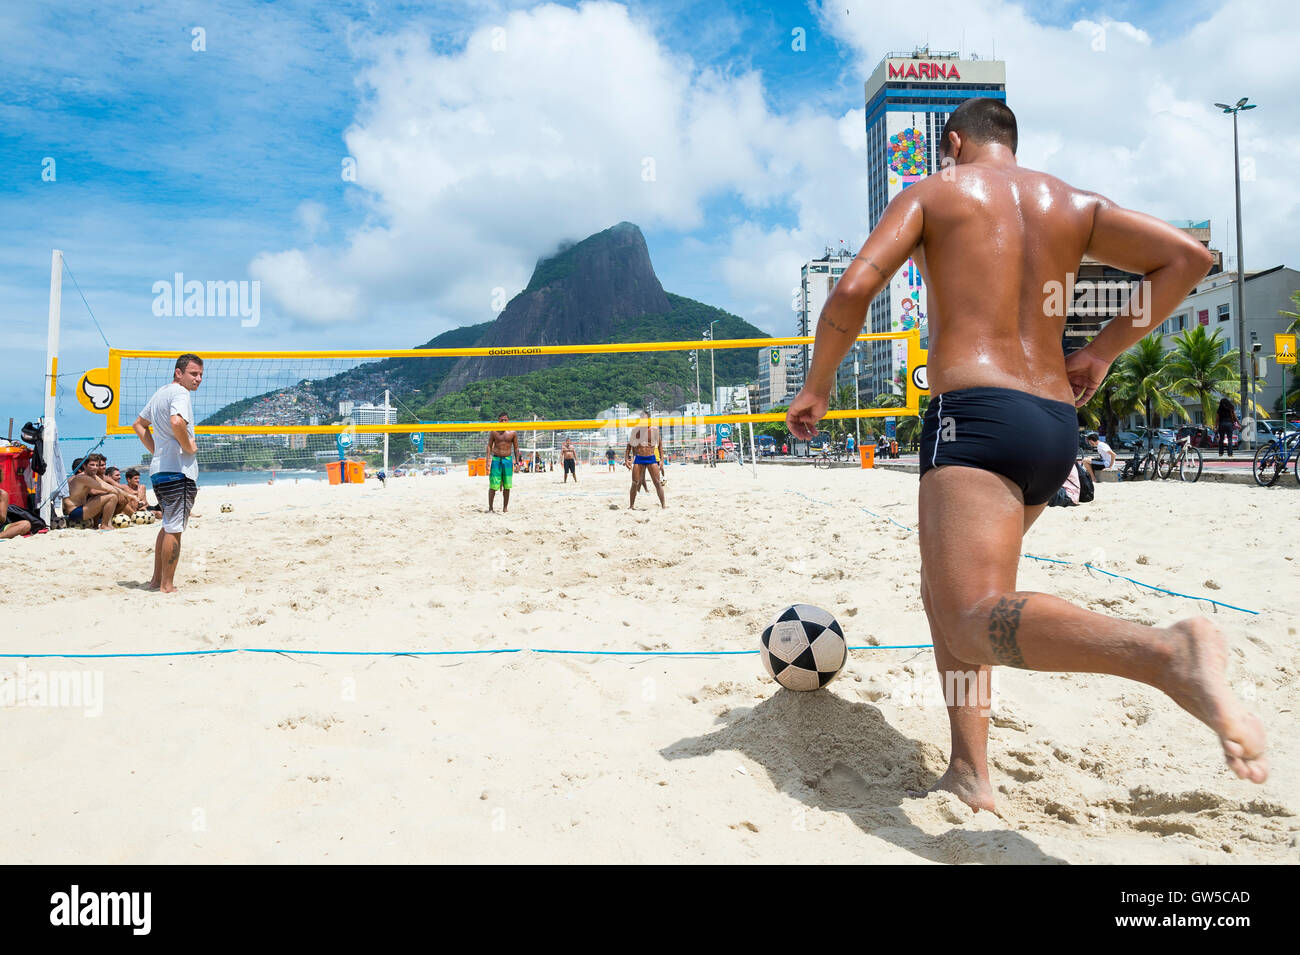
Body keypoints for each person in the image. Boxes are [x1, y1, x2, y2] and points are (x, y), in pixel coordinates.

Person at [786, 98, 1265, 813]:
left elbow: (853, 288)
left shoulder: (934, 193)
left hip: (975, 417)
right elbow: (1187, 258)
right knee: (950, 595)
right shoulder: (1070, 202)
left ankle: (1167, 654)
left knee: (971, 611)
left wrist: (818, 386)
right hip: (1052, 426)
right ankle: (970, 771)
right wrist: (1101, 352)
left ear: (953, 143)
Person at [132, 353, 203, 592]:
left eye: (201, 374)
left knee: (168, 526)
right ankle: (166, 586)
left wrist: (157, 452)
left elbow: (138, 425)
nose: (198, 379)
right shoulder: (180, 393)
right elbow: (176, 422)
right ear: (178, 373)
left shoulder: (160, 393)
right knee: (174, 528)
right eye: (194, 373)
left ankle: (155, 581)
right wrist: (187, 446)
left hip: (159, 471)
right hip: (178, 472)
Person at [62, 456, 122, 529]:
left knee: (101, 497)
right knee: (112, 496)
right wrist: (131, 496)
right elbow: (108, 488)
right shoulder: (82, 478)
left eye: (97, 465)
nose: (95, 468)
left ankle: (99, 524)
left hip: (73, 511)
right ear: (83, 468)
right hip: (76, 512)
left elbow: (111, 487)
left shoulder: (72, 478)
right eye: (92, 465)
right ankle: (105, 525)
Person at [625, 410, 665, 509]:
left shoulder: (654, 430)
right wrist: (627, 459)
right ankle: (631, 505)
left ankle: (663, 505)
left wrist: (662, 460)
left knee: (657, 482)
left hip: (651, 457)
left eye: (645, 418)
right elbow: (629, 446)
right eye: (641, 419)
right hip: (639, 458)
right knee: (634, 482)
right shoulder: (635, 430)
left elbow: (660, 446)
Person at [486, 412, 520, 512]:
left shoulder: (512, 432)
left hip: (508, 459)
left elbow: (516, 448)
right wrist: (487, 460)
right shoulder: (494, 431)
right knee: (493, 484)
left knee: (507, 485)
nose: (504, 421)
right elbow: (489, 445)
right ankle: (491, 507)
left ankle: (505, 508)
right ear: (498, 421)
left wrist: (517, 462)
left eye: (505, 420)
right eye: (502, 420)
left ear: (508, 420)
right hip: (496, 459)